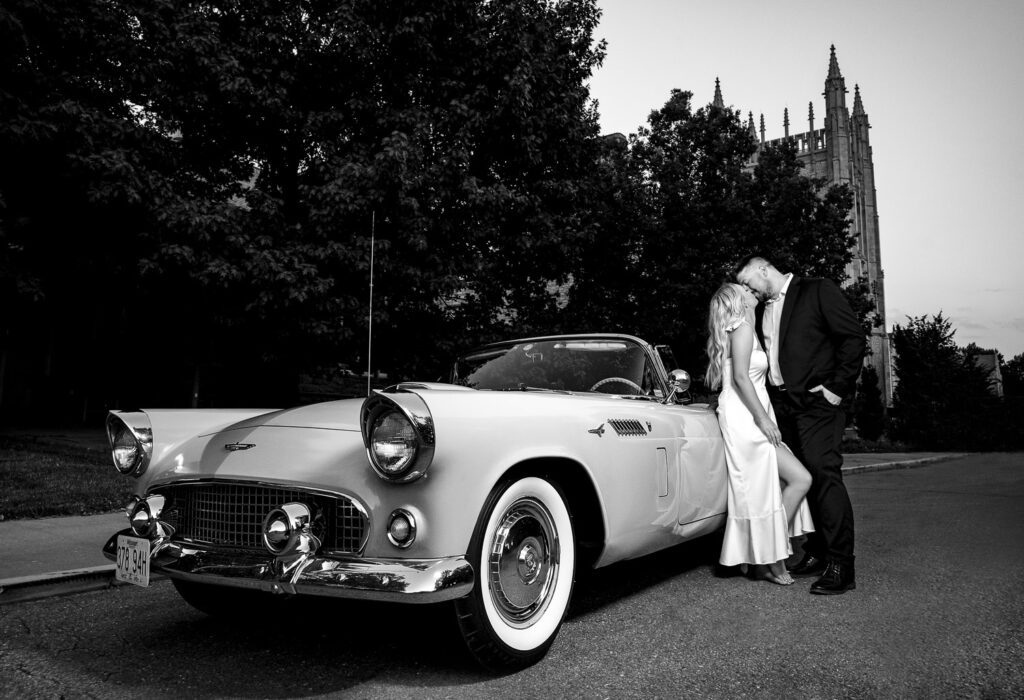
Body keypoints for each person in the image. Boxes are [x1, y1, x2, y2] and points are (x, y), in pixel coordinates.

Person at [734, 255, 865, 595]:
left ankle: (841, 564)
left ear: (764, 269)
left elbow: (852, 338)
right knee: (800, 477)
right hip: (783, 405)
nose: (749, 290)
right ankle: (819, 552)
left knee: (823, 474)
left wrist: (836, 389)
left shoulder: (818, 290)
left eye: (750, 282)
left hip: (818, 404)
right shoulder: (762, 309)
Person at [706, 283, 814, 585]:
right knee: (785, 482)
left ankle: (764, 557)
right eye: (745, 289)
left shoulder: (744, 328)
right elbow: (740, 377)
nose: (752, 291)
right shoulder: (740, 327)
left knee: (785, 482)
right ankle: (772, 560)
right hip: (745, 416)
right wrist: (763, 419)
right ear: (738, 300)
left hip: (747, 412)